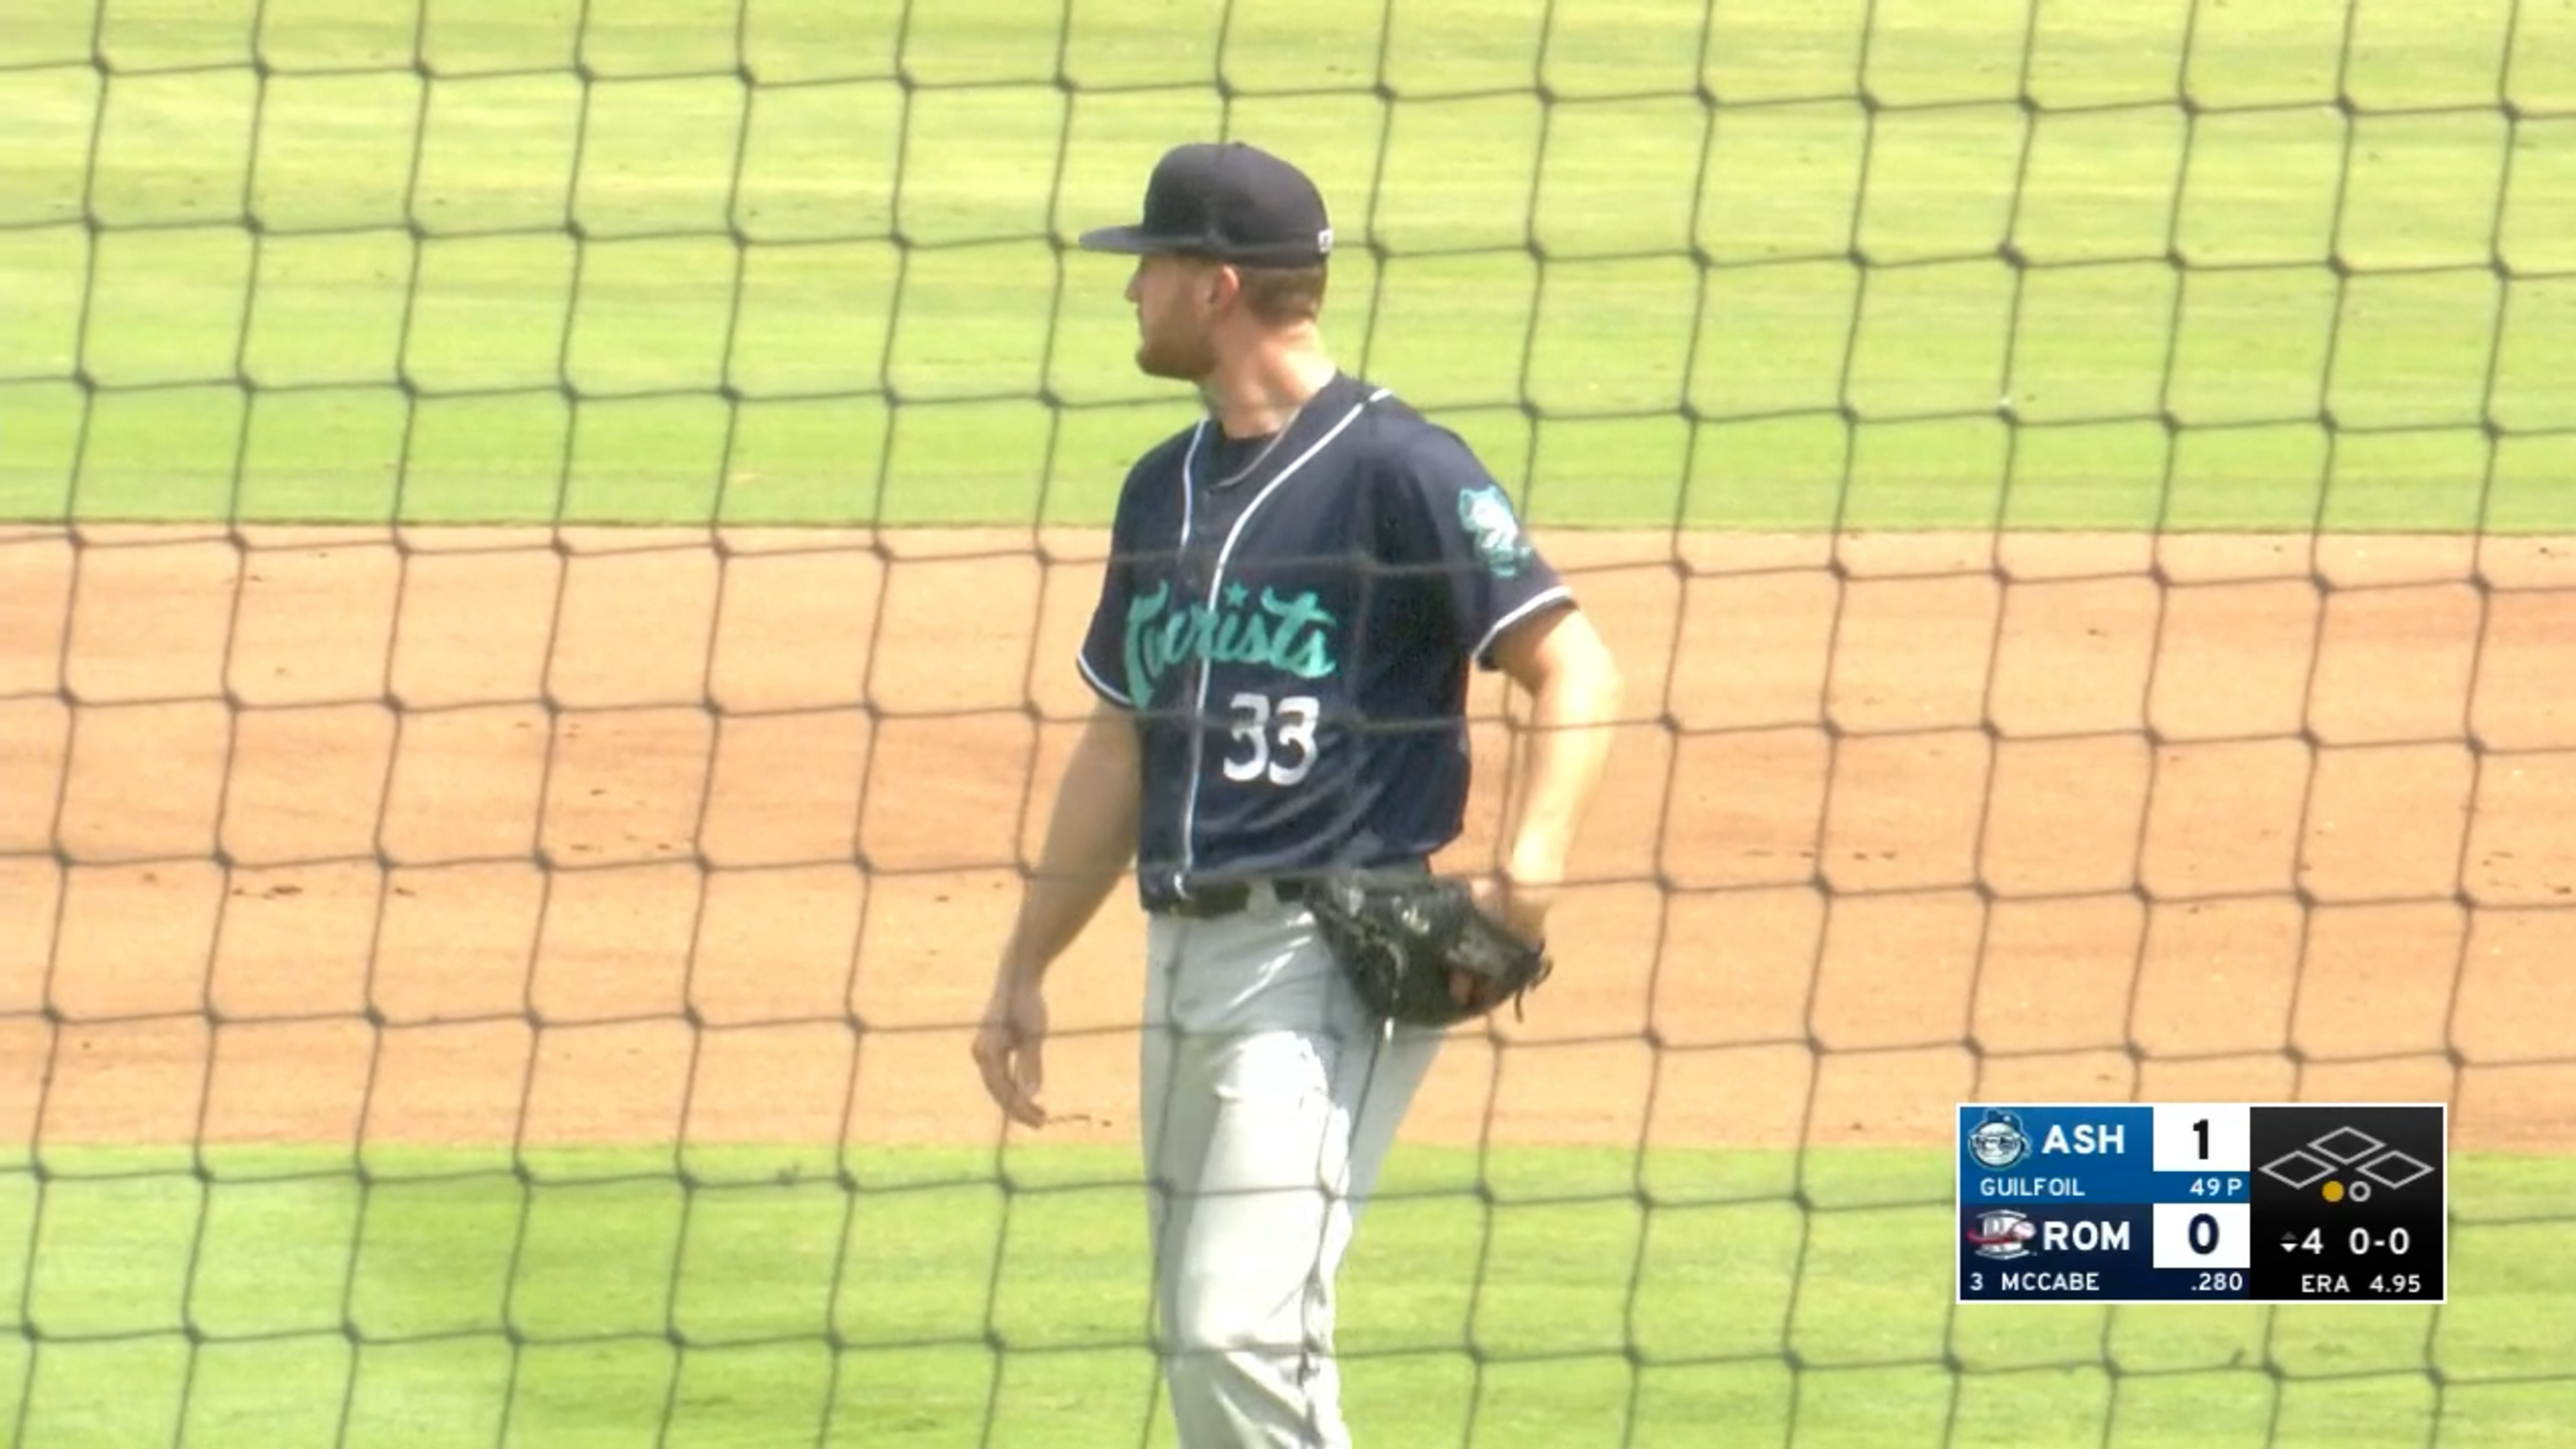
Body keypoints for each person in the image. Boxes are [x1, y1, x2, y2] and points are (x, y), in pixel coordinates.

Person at [969, 140, 1624, 1448]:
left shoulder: (1402, 468)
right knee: (1214, 1350)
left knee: (1239, 1332)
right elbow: (1122, 742)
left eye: (1147, 263)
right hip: (1180, 963)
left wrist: (1527, 882)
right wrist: (1025, 963)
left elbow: (1575, 665)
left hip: (1329, 958)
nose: (1128, 290)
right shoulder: (1162, 487)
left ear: (1215, 287)